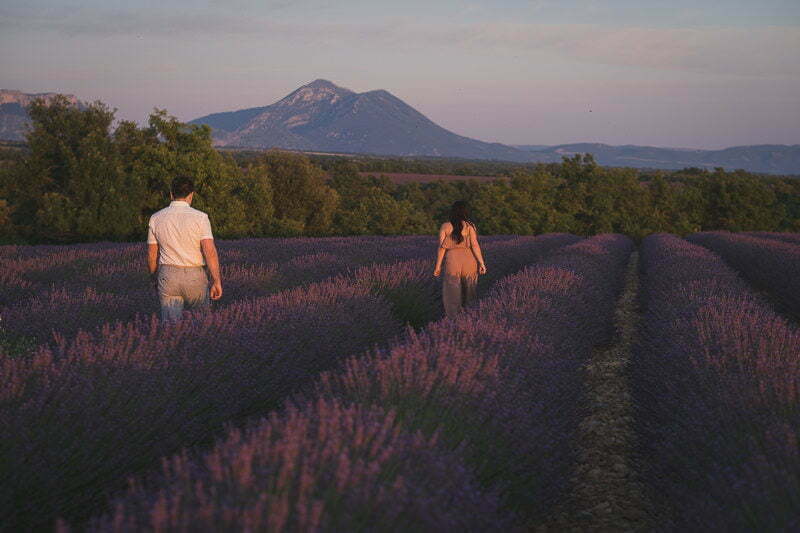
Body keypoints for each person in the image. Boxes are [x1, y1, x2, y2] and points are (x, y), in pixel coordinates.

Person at [147, 176, 222, 322]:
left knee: (170, 328)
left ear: (171, 194)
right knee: (201, 325)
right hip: (195, 276)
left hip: (168, 275)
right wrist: (216, 280)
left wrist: (153, 278)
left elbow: (151, 255)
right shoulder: (201, 217)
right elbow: (210, 251)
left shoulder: (155, 218)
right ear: (191, 195)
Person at [433, 201, 486, 317]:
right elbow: (475, 245)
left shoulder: (445, 226)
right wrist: (481, 263)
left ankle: (453, 318)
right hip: (469, 260)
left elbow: (441, 248)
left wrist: (438, 266)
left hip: (452, 260)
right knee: (470, 291)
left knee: (452, 291)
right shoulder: (470, 226)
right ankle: (469, 317)